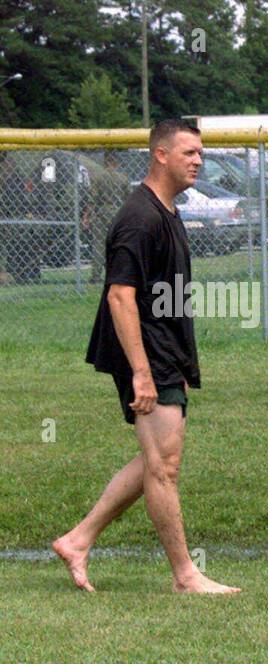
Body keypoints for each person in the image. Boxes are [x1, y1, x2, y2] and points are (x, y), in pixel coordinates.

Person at [53, 119, 239, 596]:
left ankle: (78, 540)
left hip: (164, 348)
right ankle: (185, 575)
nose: (198, 160)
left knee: (160, 458)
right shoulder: (139, 218)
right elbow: (120, 296)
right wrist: (140, 372)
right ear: (160, 154)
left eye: (201, 153)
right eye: (189, 152)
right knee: (164, 465)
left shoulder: (166, 210)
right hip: (147, 352)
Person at [87, 151, 131, 283]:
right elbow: (128, 198)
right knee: (118, 244)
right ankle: (119, 273)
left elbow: (92, 198)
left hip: (101, 212)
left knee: (99, 245)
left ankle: (96, 275)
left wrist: (87, 216)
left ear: (105, 162)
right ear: (116, 163)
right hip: (119, 213)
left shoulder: (98, 177)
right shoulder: (123, 178)